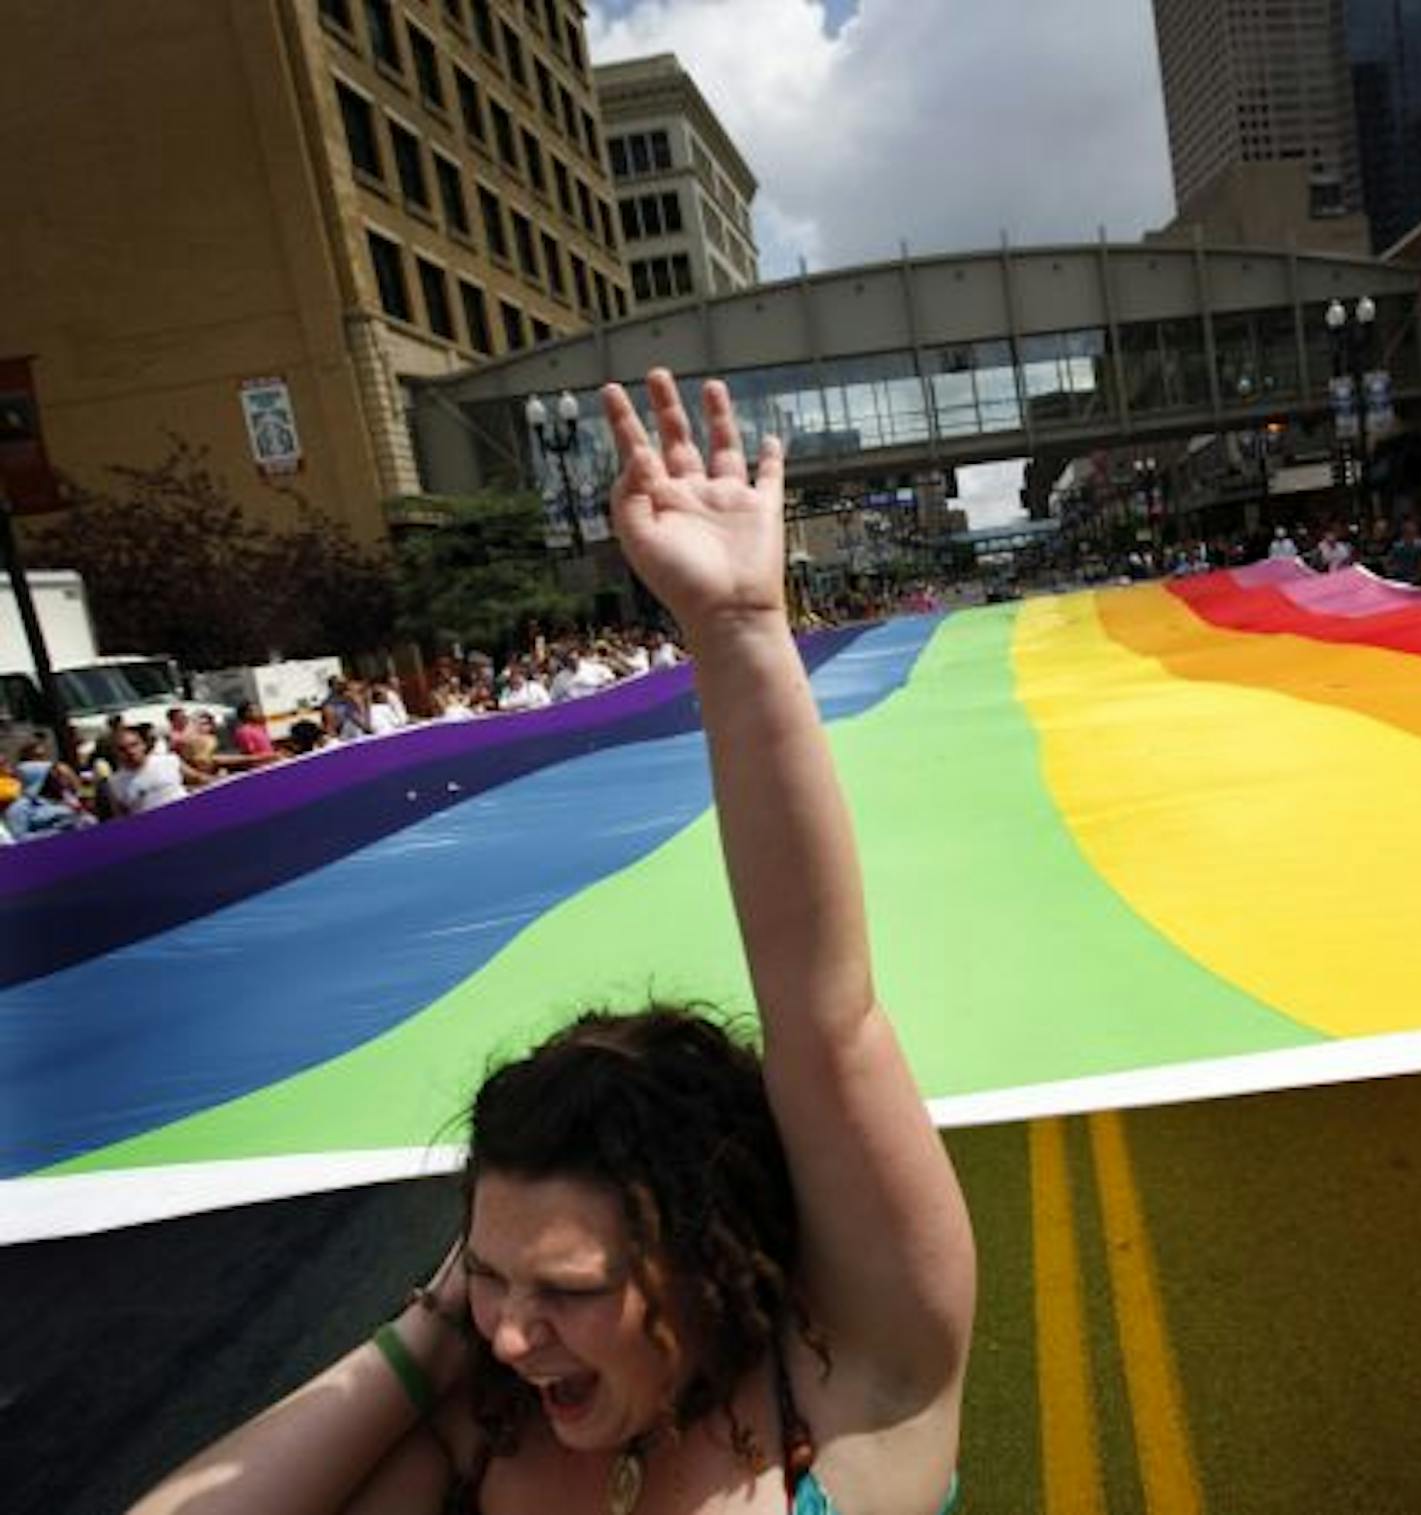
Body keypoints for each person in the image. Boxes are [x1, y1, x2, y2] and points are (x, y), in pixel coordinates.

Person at [127, 369, 975, 1515]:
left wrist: (736, 629)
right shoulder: (501, 1436)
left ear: (705, 1255)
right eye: (488, 1274)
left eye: (569, 1288)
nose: (517, 1335)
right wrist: (432, 1334)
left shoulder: (852, 1383)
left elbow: (823, 1019)